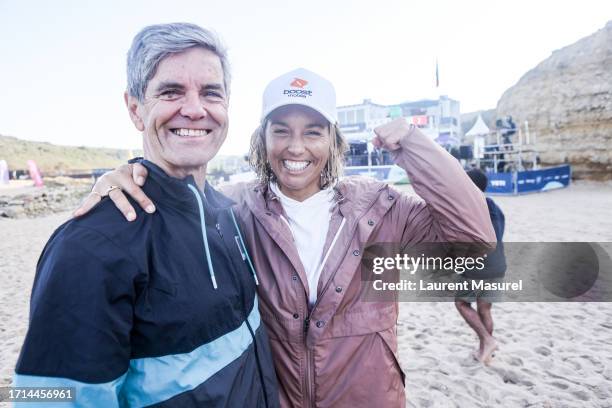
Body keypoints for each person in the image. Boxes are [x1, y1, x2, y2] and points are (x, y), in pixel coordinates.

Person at [79, 67, 496, 407]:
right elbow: (170, 205)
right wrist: (130, 174)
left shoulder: (382, 208)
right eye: (281, 130)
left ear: (333, 140)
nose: (296, 147)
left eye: (313, 132)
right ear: (262, 138)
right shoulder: (233, 209)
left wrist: (411, 144)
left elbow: (475, 239)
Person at [14, 23, 279, 407]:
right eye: (171, 92)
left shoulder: (230, 213)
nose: (194, 109)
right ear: (135, 109)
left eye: (211, 93)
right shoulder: (88, 248)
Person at [455, 168, 506, 365]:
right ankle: (485, 351)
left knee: (461, 302)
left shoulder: (469, 208)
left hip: (478, 264)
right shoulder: (495, 206)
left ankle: (487, 340)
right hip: (498, 263)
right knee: (485, 309)